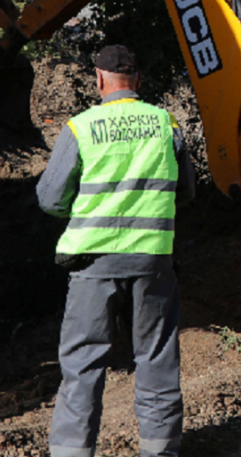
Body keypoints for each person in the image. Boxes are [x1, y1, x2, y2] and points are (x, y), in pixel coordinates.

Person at [37, 45, 195, 457]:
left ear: (99, 79)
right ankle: (160, 450)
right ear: (138, 81)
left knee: (82, 364)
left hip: (94, 264)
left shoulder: (81, 127)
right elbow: (187, 192)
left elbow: (50, 199)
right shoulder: (166, 123)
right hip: (153, 262)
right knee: (156, 360)